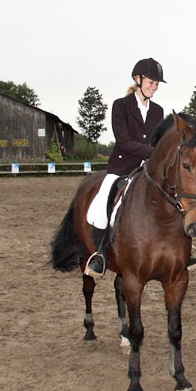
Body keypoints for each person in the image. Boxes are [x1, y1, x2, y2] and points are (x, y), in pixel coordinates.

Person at [84, 57, 166, 277]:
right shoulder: (121, 105)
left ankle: (182, 248)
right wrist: (152, 152)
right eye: (151, 82)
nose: (154, 87)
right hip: (122, 166)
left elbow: (159, 139)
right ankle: (100, 254)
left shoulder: (158, 111)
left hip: (148, 170)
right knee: (103, 202)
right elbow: (123, 140)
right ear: (138, 79)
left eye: (157, 83)